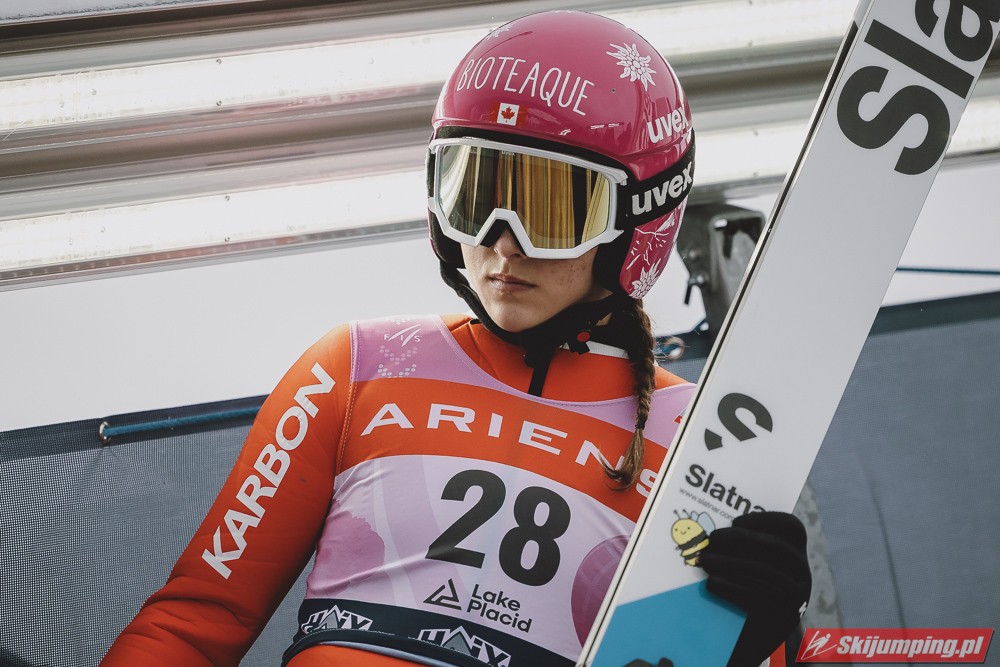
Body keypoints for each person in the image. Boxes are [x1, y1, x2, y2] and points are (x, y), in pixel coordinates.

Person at [102, 10, 810, 667]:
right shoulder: (355, 368)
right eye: (476, 194)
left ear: (639, 217)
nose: (503, 243)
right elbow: (194, 620)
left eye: (550, 209)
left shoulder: (703, 443)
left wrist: (750, 651)